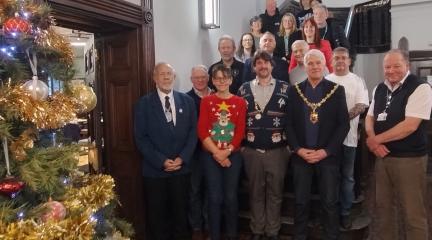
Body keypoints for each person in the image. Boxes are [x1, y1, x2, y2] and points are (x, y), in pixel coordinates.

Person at [365, 49, 432, 240]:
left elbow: (409, 126)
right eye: (387, 66)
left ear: (407, 66)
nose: (391, 70)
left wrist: (375, 140)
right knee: (384, 209)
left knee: (412, 212)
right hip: (382, 157)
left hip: (409, 160)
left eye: (396, 66)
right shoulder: (379, 88)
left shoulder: (420, 87)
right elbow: (370, 118)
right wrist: (374, 143)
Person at [285, 49, 349, 240]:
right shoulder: (294, 91)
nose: (313, 67)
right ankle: (300, 236)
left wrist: (327, 151)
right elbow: (288, 124)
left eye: (317, 63)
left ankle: (331, 235)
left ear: (324, 65)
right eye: (310, 63)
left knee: (330, 201)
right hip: (301, 155)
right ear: (304, 66)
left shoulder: (336, 90)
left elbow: (343, 124)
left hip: (327, 156)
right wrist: (298, 149)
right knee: (301, 201)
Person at [134, 62, 197, 240]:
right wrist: (161, 161)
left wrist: (182, 158)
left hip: (181, 170)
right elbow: (141, 138)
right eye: (162, 74)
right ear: (154, 78)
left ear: (174, 77)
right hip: (155, 172)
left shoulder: (188, 101)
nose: (166, 77)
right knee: (157, 217)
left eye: (169, 74)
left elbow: (193, 134)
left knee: (181, 215)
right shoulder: (143, 104)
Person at [238, 50, 290, 240]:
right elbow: (238, 120)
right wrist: (242, 147)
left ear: (272, 66)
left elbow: (292, 119)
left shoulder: (285, 88)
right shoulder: (243, 89)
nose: (262, 66)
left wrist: (289, 147)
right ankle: (257, 230)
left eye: (265, 63)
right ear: (254, 67)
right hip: (251, 151)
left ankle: (272, 231)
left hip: (278, 151)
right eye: (258, 63)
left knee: (276, 193)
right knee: (255, 193)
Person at [198, 64, 247, 240]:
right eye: (217, 78)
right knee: (214, 197)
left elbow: (240, 131)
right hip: (211, 156)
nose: (221, 81)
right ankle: (215, 235)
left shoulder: (240, 102)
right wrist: (217, 154)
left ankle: (232, 235)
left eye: (225, 78)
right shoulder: (206, 101)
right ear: (213, 80)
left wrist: (226, 153)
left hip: (232, 155)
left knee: (230, 197)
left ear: (231, 80)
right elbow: (202, 130)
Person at [326, 47, 369, 229]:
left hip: (349, 139)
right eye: (337, 58)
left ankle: (345, 213)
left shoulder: (357, 81)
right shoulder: (325, 80)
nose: (340, 61)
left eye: (344, 58)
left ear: (349, 61)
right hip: (326, 141)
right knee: (330, 178)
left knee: (347, 178)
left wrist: (342, 120)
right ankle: (330, 213)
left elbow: (361, 104)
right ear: (332, 61)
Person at [186, 65, 212, 240]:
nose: (200, 80)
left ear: (208, 78)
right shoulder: (185, 99)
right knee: (194, 191)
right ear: (191, 79)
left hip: (215, 152)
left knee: (212, 190)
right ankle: (196, 226)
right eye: (196, 78)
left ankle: (210, 224)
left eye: (203, 77)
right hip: (194, 153)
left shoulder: (219, 95)